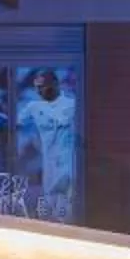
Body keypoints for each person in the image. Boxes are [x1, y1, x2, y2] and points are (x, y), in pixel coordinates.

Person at [17, 68, 78, 220]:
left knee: (66, 206)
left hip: (68, 161)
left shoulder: (72, 104)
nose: (39, 90)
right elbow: (15, 124)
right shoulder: (34, 107)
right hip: (48, 163)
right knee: (49, 209)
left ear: (55, 84)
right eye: (37, 87)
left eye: (42, 86)